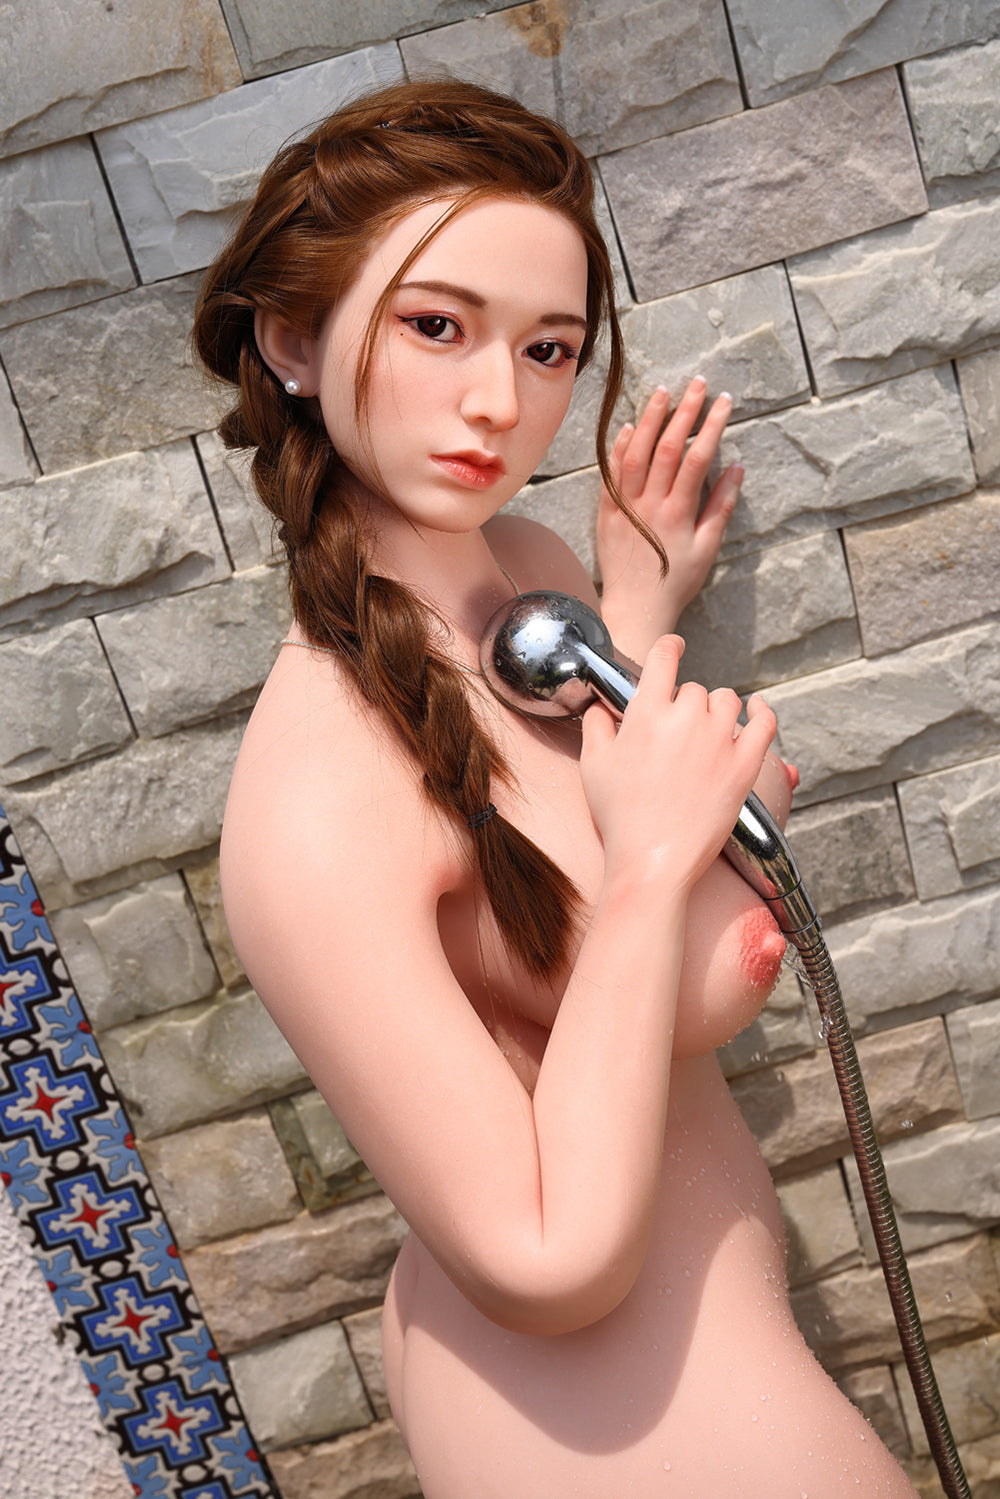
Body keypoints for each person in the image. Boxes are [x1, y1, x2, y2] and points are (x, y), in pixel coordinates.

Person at [194, 79, 917, 1498]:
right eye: (437, 326)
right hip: (590, 1415)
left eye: (548, 349)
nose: (500, 402)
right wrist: (653, 872)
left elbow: (558, 816)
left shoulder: (526, 572)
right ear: (292, 338)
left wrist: (632, 608)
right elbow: (543, 1261)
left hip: (713, 1339)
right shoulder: (313, 811)